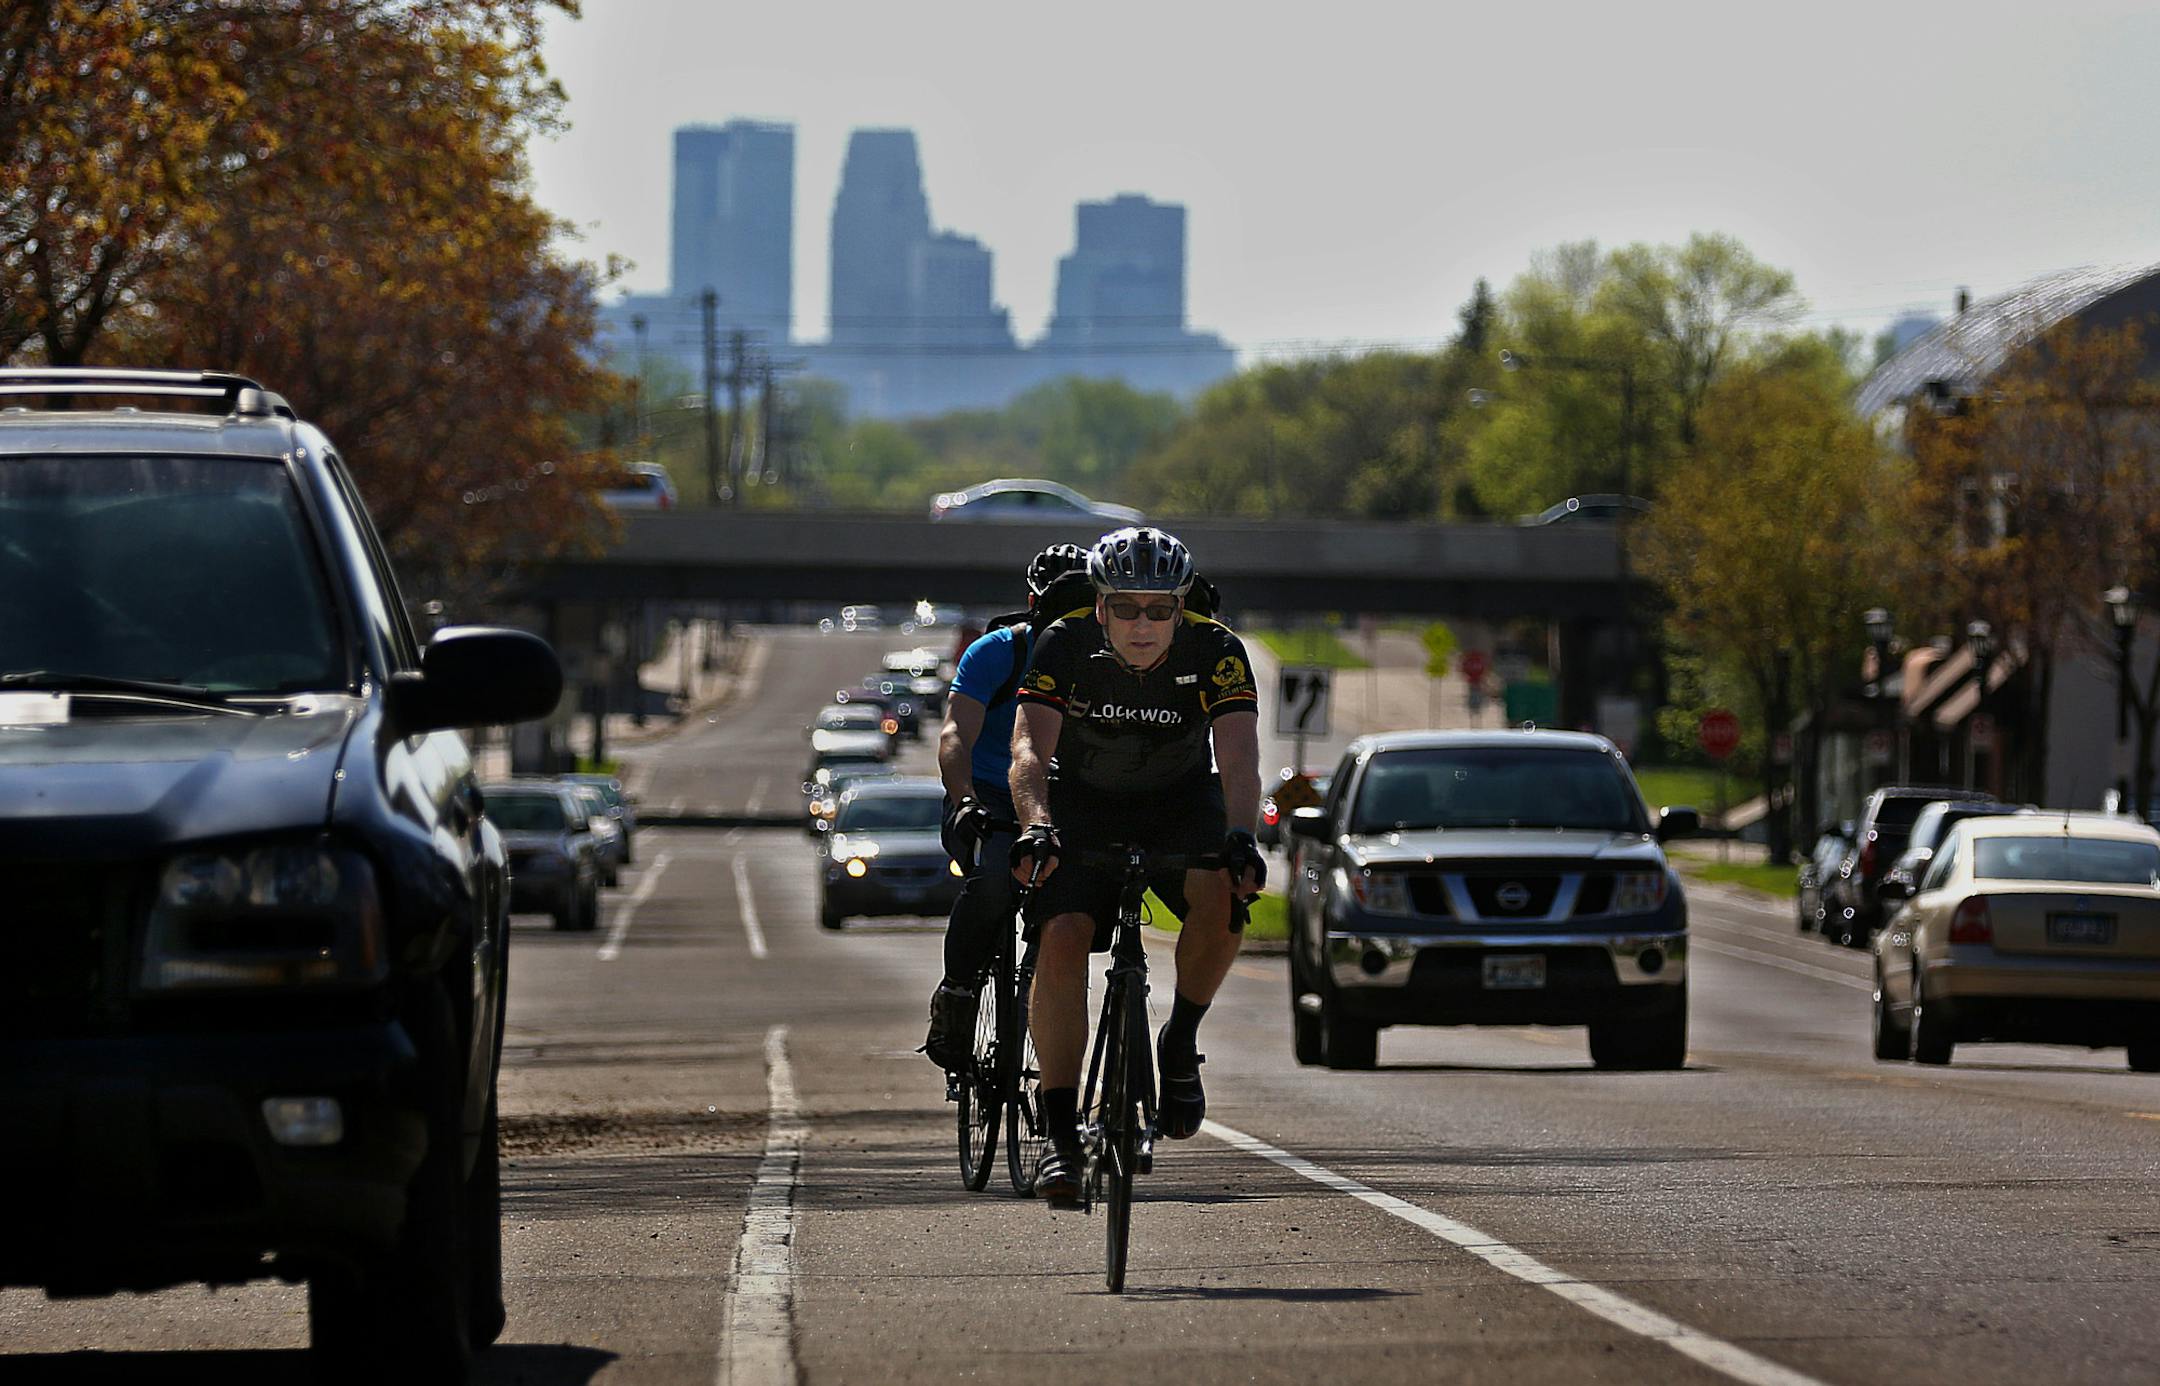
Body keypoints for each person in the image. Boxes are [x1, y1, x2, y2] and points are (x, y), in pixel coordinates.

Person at [1007, 526, 1263, 1207]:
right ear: (1100, 607)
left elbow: (1238, 760)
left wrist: (1241, 837)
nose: (1143, 623)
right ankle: (1062, 1139)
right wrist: (1036, 825)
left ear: (1182, 610)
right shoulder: (1062, 643)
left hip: (1182, 798)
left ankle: (1180, 1040)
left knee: (1222, 889)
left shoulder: (1218, 651)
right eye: (1126, 607)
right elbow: (1029, 750)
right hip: (1084, 800)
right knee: (1060, 937)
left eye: (1159, 609)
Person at [920, 543, 1091, 1068]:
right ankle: (959, 995)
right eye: (1057, 603)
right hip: (990, 793)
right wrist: (965, 800)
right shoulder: (998, 652)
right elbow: (955, 735)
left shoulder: (1104, 660)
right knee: (994, 882)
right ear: (1032, 601)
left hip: (1064, 796)